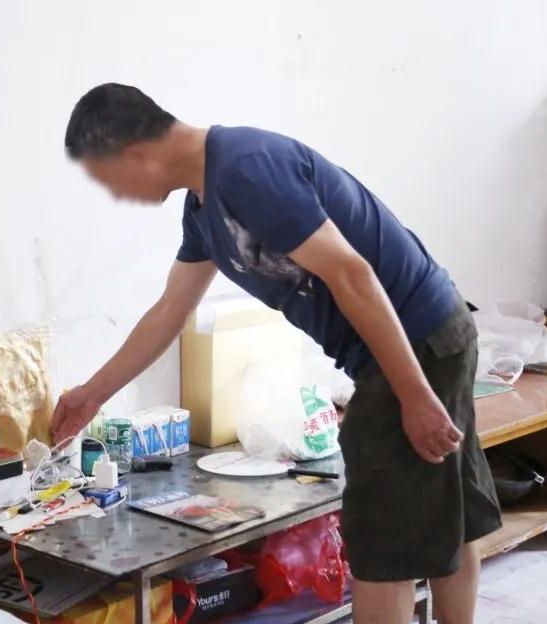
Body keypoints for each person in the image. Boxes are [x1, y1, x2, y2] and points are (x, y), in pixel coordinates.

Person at [53, 83, 501, 624]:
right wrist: (90, 395)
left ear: (133, 152)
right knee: (449, 516)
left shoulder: (246, 169)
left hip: (414, 343)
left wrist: (415, 395)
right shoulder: (204, 208)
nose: (116, 195)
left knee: (383, 547)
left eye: (107, 179)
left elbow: (351, 273)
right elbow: (169, 312)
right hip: (427, 336)